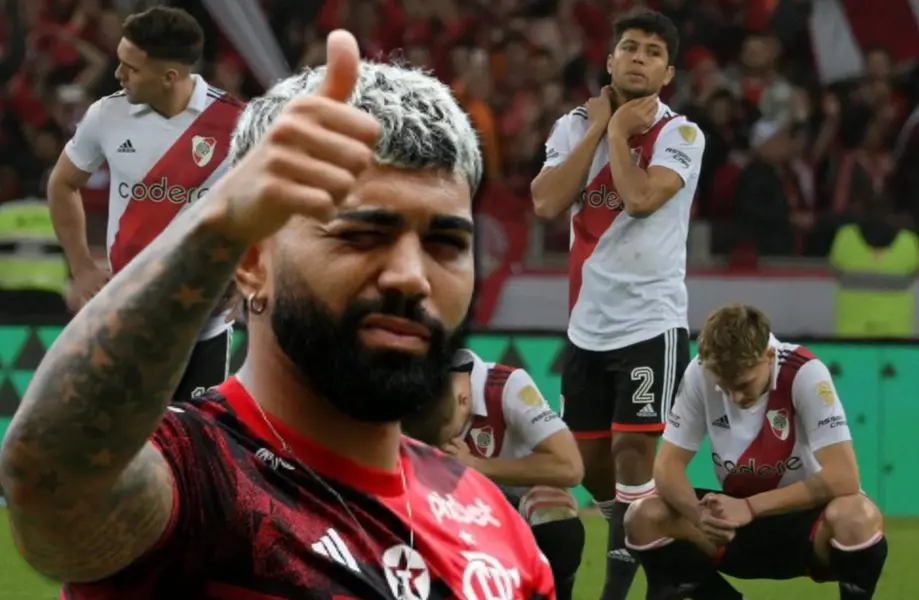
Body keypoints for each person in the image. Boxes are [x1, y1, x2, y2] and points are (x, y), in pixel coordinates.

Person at [0, 31, 553, 600]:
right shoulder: (198, 477)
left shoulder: (497, 528)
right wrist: (214, 226)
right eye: (362, 235)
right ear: (251, 263)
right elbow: (49, 486)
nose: (411, 276)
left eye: (445, 244)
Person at [529, 9, 706, 598]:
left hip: (651, 321)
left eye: (653, 51)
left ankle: (619, 590)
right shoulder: (572, 124)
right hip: (586, 326)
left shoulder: (682, 134)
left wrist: (617, 135)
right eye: (629, 47)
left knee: (635, 451)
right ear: (609, 60)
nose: (638, 57)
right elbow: (547, 202)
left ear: (668, 72)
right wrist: (598, 127)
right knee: (591, 467)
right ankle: (655, 552)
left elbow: (638, 199)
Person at [624, 303, 888, 600]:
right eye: (724, 386)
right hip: (732, 528)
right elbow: (666, 467)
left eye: (742, 384)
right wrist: (699, 516)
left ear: (769, 356)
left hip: (807, 526)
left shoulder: (804, 372)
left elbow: (845, 477)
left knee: (856, 517)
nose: (734, 397)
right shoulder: (700, 372)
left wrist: (750, 507)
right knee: (643, 515)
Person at [46, 7, 242, 401]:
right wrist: (81, 265)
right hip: (125, 320)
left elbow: (271, 203)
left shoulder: (239, 122)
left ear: (169, 77)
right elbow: (63, 184)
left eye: (130, 67)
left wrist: (252, 271)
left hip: (204, 324)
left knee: (196, 450)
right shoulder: (106, 115)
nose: (118, 74)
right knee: (128, 454)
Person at [404, 349, 587, 599]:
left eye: (445, 433)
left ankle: (557, 592)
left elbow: (570, 467)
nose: (442, 442)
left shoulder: (508, 386)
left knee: (554, 511)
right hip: (451, 509)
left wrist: (477, 466)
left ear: (463, 401)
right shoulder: (412, 391)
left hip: (517, 507)